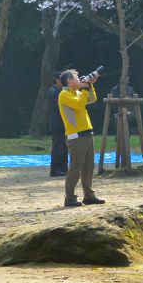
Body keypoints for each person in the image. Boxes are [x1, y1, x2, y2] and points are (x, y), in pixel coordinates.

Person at [58, 69, 105, 208]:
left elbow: (92, 99)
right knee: (75, 168)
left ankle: (89, 195)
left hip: (86, 133)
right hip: (76, 136)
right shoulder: (64, 94)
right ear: (68, 81)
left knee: (89, 167)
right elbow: (79, 105)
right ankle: (70, 198)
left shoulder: (77, 93)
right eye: (76, 77)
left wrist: (89, 86)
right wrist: (84, 89)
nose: (79, 79)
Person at [47, 72, 69, 177]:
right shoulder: (53, 91)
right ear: (56, 79)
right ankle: (55, 169)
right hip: (57, 124)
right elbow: (58, 107)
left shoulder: (60, 91)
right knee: (57, 148)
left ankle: (63, 168)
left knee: (64, 147)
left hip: (63, 124)